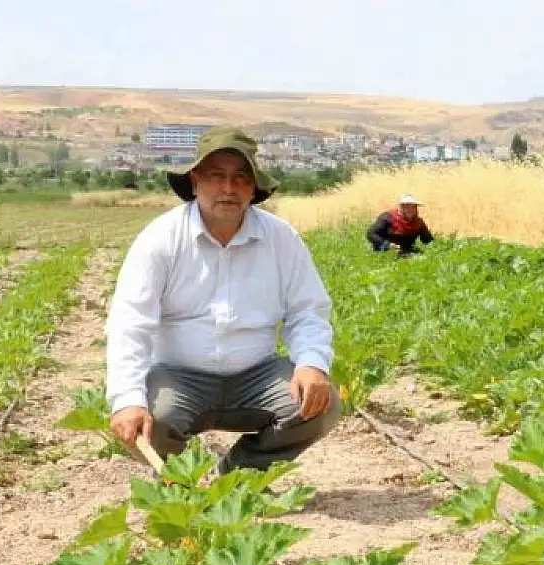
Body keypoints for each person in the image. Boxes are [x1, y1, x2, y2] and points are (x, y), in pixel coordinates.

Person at [104, 126, 343, 475]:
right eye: (217, 176)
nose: (228, 189)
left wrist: (311, 362)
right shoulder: (160, 239)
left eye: (240, 178)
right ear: (196, 180)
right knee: (151, 421)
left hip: (255, 375)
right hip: (178, 376)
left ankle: (238, 474)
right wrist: (127, 400)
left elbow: (307, 310)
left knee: (321, 404)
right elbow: (130, 324)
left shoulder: (280, 239)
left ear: (253, 186)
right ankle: (176, 482)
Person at [366, 194, 434, 255]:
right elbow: (371, 233)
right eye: (407, 207)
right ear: (401, 207)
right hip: (385, 250)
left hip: (407, 250)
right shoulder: (387, 217)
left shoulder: (419, 222)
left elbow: (427, 240)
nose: (410, 210)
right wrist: (388, 245)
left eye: (413, 207)